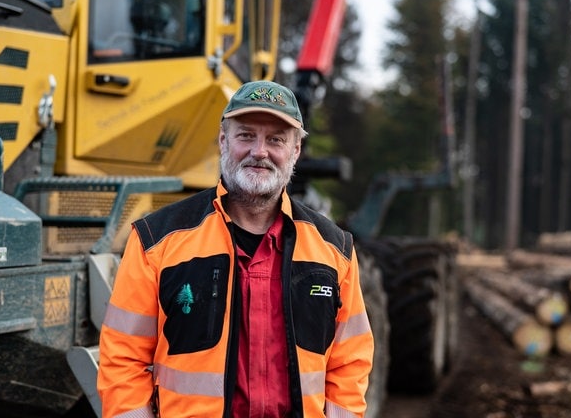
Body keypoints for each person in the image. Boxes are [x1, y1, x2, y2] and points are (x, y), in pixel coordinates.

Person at [97, 80, 374, 418]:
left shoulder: (335, 251)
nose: (260, 151)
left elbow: (350, 365)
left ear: (296, 151)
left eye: (275, 139)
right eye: (246, 135)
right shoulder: (157, 241)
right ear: (223, 141)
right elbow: (123, 361)